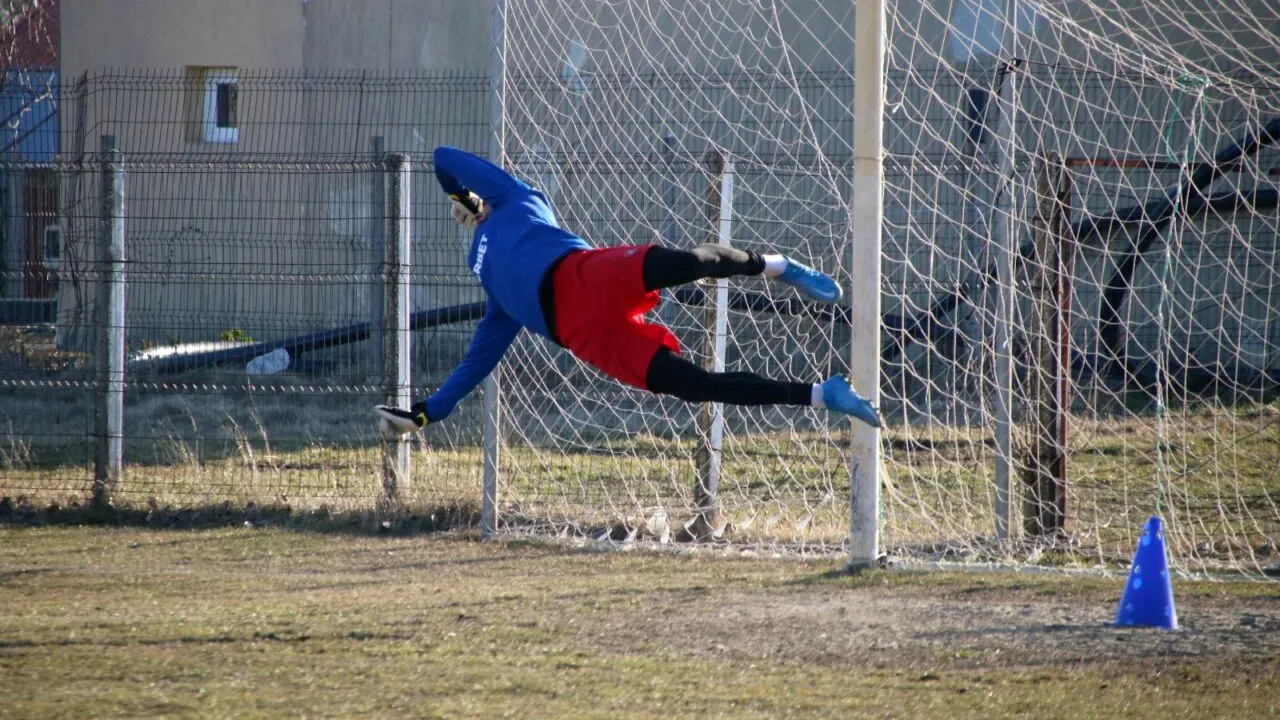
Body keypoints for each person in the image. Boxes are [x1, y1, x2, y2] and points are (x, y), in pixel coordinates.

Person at [375, 146, 882, 435]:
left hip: (582, 273)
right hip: (583, 334)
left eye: (467, 204)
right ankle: (823, 395)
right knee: (695, 386)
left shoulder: (515, 198)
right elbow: (481, 356)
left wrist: (466, 192)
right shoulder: (484, 273)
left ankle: (777, 266)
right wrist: (430, 410)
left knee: (687, 264)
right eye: (462, 212)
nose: (466, 213)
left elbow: (444, 158)